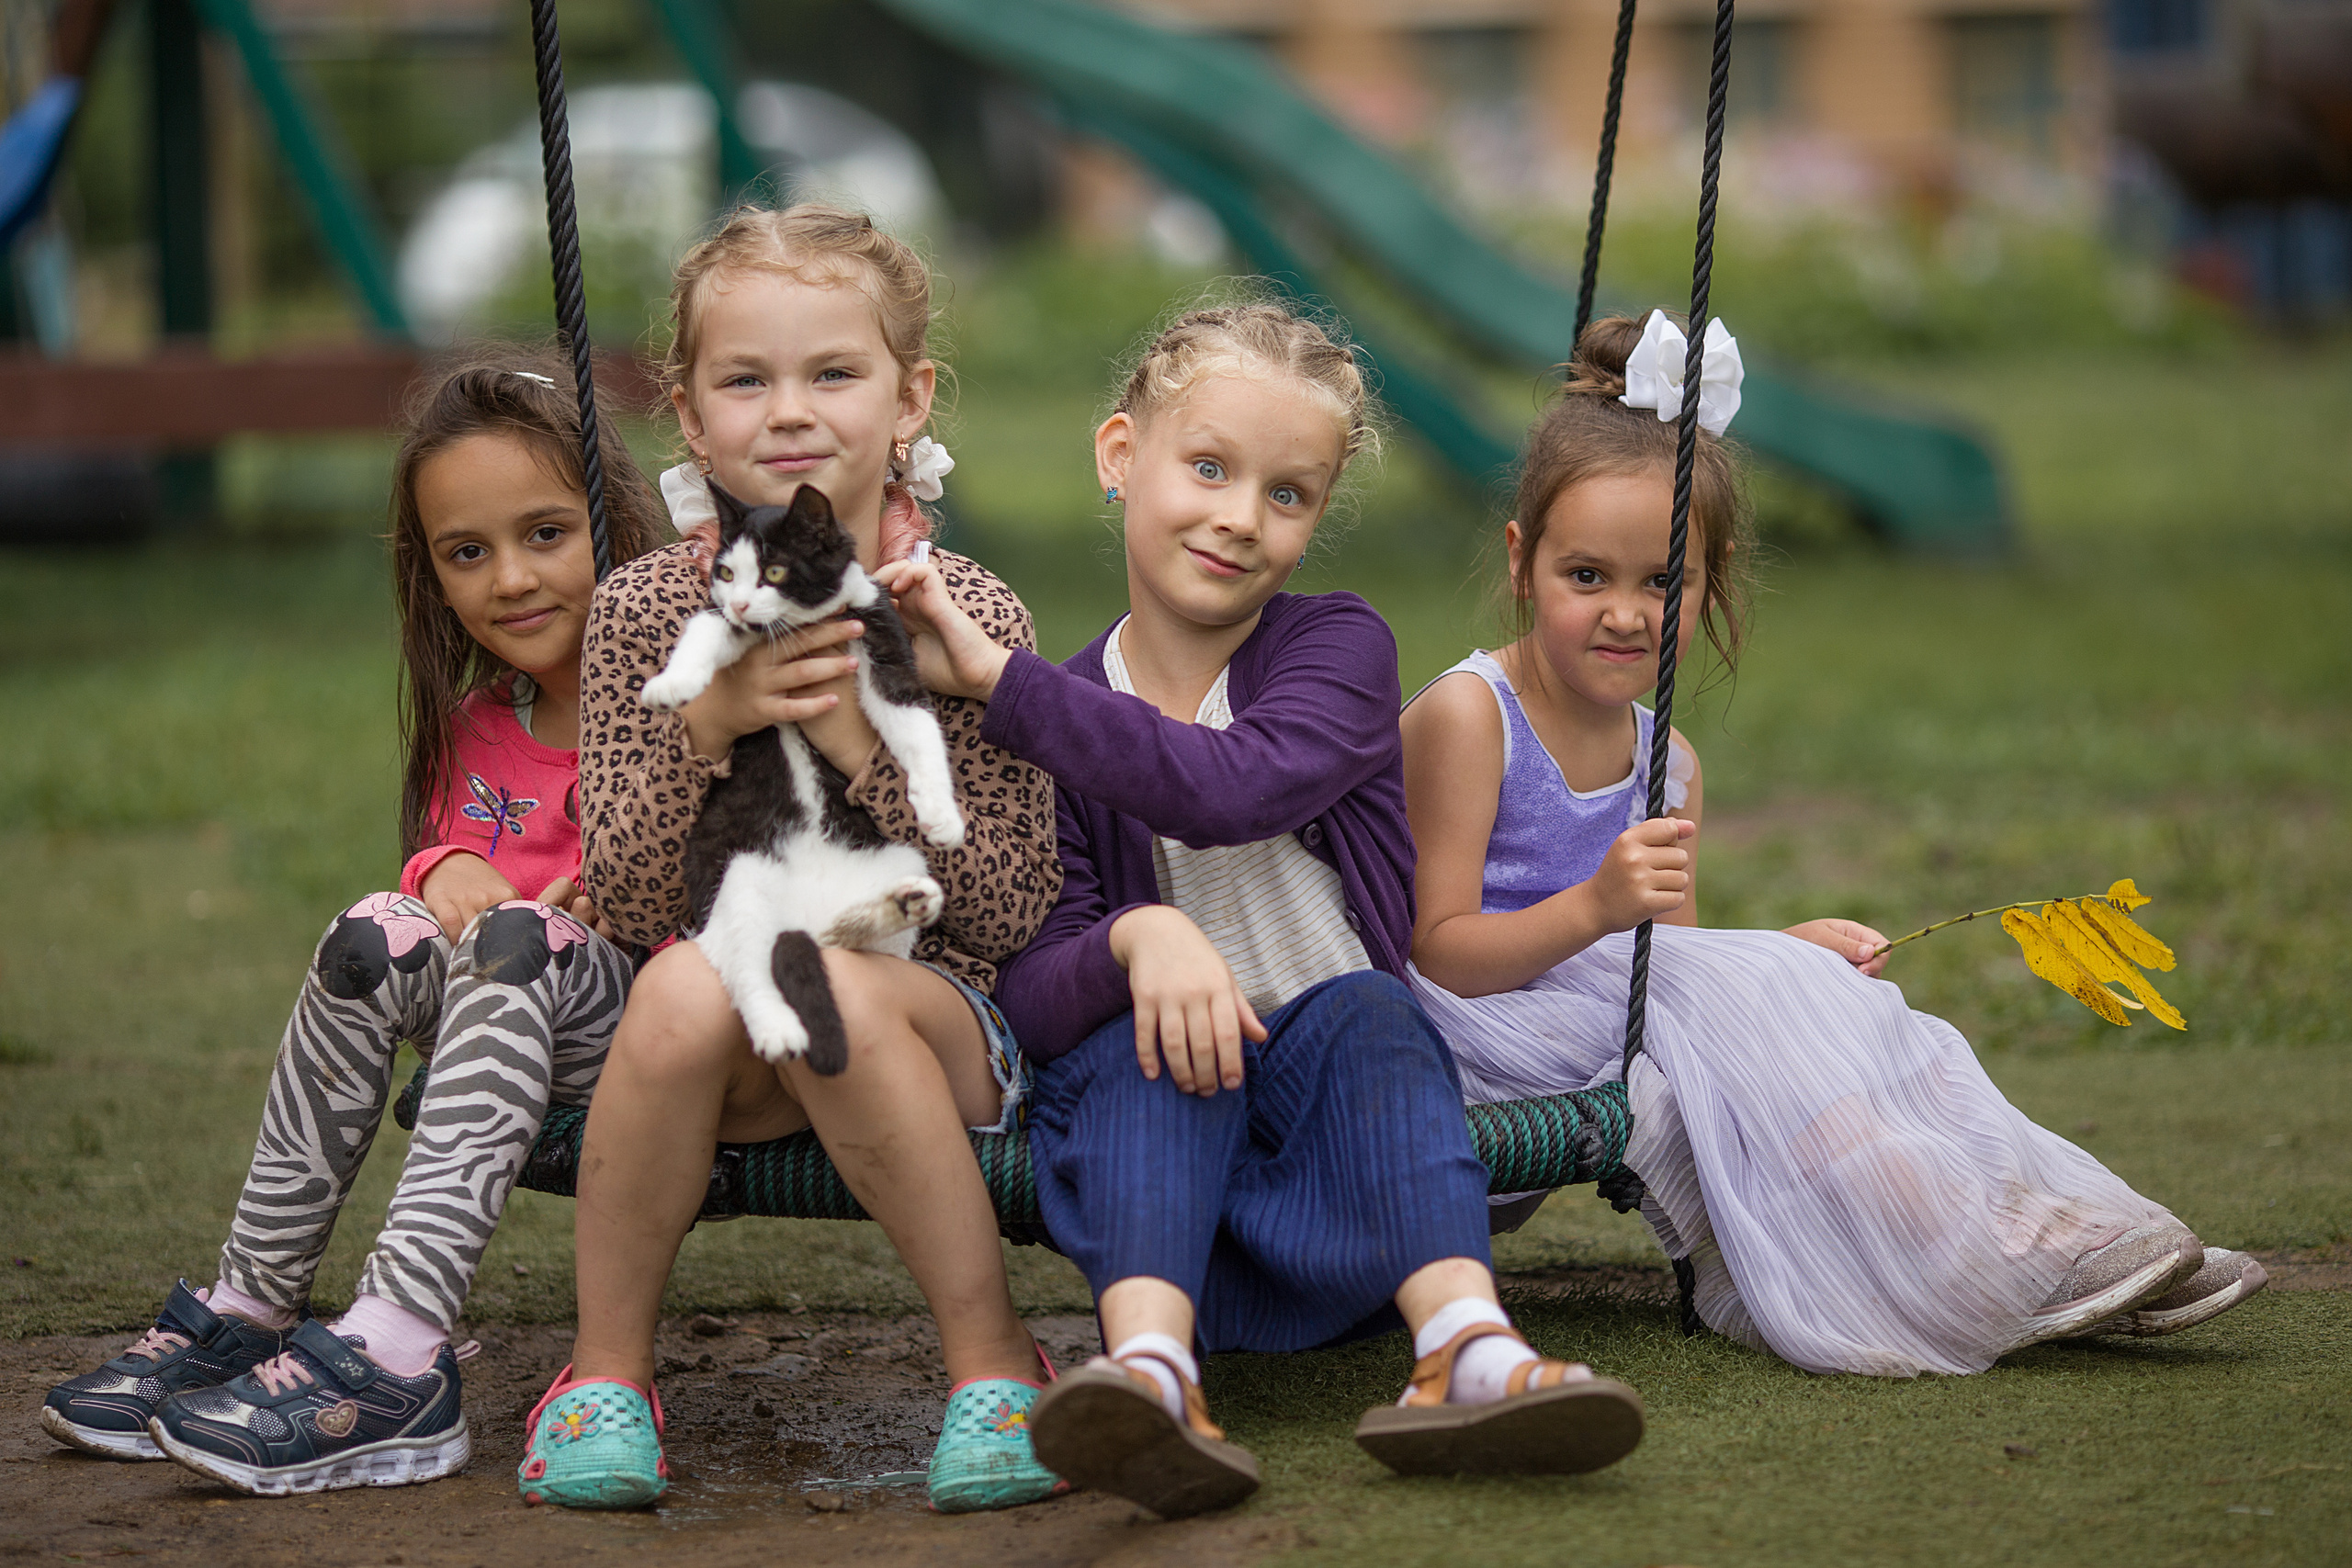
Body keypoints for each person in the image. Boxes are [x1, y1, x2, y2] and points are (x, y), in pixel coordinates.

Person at [881, 300, 1646, 1521]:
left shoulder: (1333, 651)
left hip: (1349, 1181)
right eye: (1207, 467)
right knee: (1147, 1052)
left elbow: (1239, 786)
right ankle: (1151, 1375)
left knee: (1365, 1013)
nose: (1241, 515)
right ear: (1120, 454)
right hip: (1172, 1212)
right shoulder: (1050, 710)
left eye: (1287, 494)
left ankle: (1465, 1344)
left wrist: (1003, 686)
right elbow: (1022, 988)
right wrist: (1141, 936)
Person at [1401, 310, 2268, 1380]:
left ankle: (2016, 1231)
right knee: (1774, 1011)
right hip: (1467, 1032)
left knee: (1842, 1003)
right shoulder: (1467, 716)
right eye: (1586, 577)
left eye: (1662, 583)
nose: (1625, 614)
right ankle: (1983, 1254)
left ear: (1711, 580)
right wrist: (1593, 911)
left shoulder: (1665, 760)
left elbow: (1674, 958)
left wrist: (1782, 947)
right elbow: (1434, 947)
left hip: (1595, 1015)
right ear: (1522, 560)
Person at [40, 349, 673, 1490]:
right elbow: (438, 853)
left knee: (519, 940)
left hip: (649, 1028)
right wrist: (438, 871)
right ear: (430, 576)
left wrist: (608, 888)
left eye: (545, 533)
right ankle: (252, 1304)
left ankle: (399, 1350)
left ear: (613, 526)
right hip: (502, 1006)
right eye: (465, 553)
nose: (511, 580)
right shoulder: (481, 723)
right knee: (369, 932)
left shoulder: (681, 698)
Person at [519, 204, 1066, 1515]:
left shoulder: (966, 609)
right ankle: (605, 1376)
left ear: (908, 396)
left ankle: (994, 1364)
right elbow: (640, 897)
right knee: (674, 980)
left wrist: (855, 736)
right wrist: (706, 728)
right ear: (691, 417)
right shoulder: (649, 611)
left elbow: (1005, 903)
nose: (789, 410)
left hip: (935, 1018)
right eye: (745, 379)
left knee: (821, 978)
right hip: (727, 1033)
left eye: (833, 372)